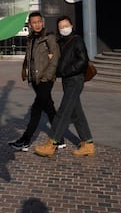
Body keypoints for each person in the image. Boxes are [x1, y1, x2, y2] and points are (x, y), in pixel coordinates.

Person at [34, 15, 96, 157]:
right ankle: (88, 143)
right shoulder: (61, 42)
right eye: (61, 27)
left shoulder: (77, 40)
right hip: (67, 81)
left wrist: (65, 71)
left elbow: (83, 61)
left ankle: (52, 143)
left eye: (66, 25)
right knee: (75, 112)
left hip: (75, 80)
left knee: (63, 111)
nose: (64, 28)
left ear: (72, 25)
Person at [9, 11, 63, 151]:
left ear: (42, 22)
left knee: (36, 109)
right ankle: (60, 138)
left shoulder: (49, 38)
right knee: (49, 108)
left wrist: (48, 76)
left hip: (45, 79)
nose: (37, 24)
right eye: (34, 22)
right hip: (35, 79)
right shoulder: (31, 38)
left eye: (39, 21)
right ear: (30, 25)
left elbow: (55, 58)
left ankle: (25, 140)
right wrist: (27, 73)